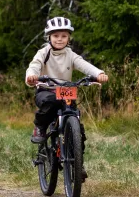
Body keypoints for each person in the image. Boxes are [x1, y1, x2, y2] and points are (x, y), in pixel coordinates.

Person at [25, 17, 108, 178]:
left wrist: (98, 74)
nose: (60, 39)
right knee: (50, 102)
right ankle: (40, 127)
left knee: (76, 124)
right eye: (56, 36)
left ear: (69, 38)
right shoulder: (43, 53)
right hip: (46, 89)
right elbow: (34, 65)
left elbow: (84, 65)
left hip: (65, 91)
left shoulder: (70, 54)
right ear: (49, 37)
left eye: (63, 36)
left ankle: (77, 163)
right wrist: (32, 76)